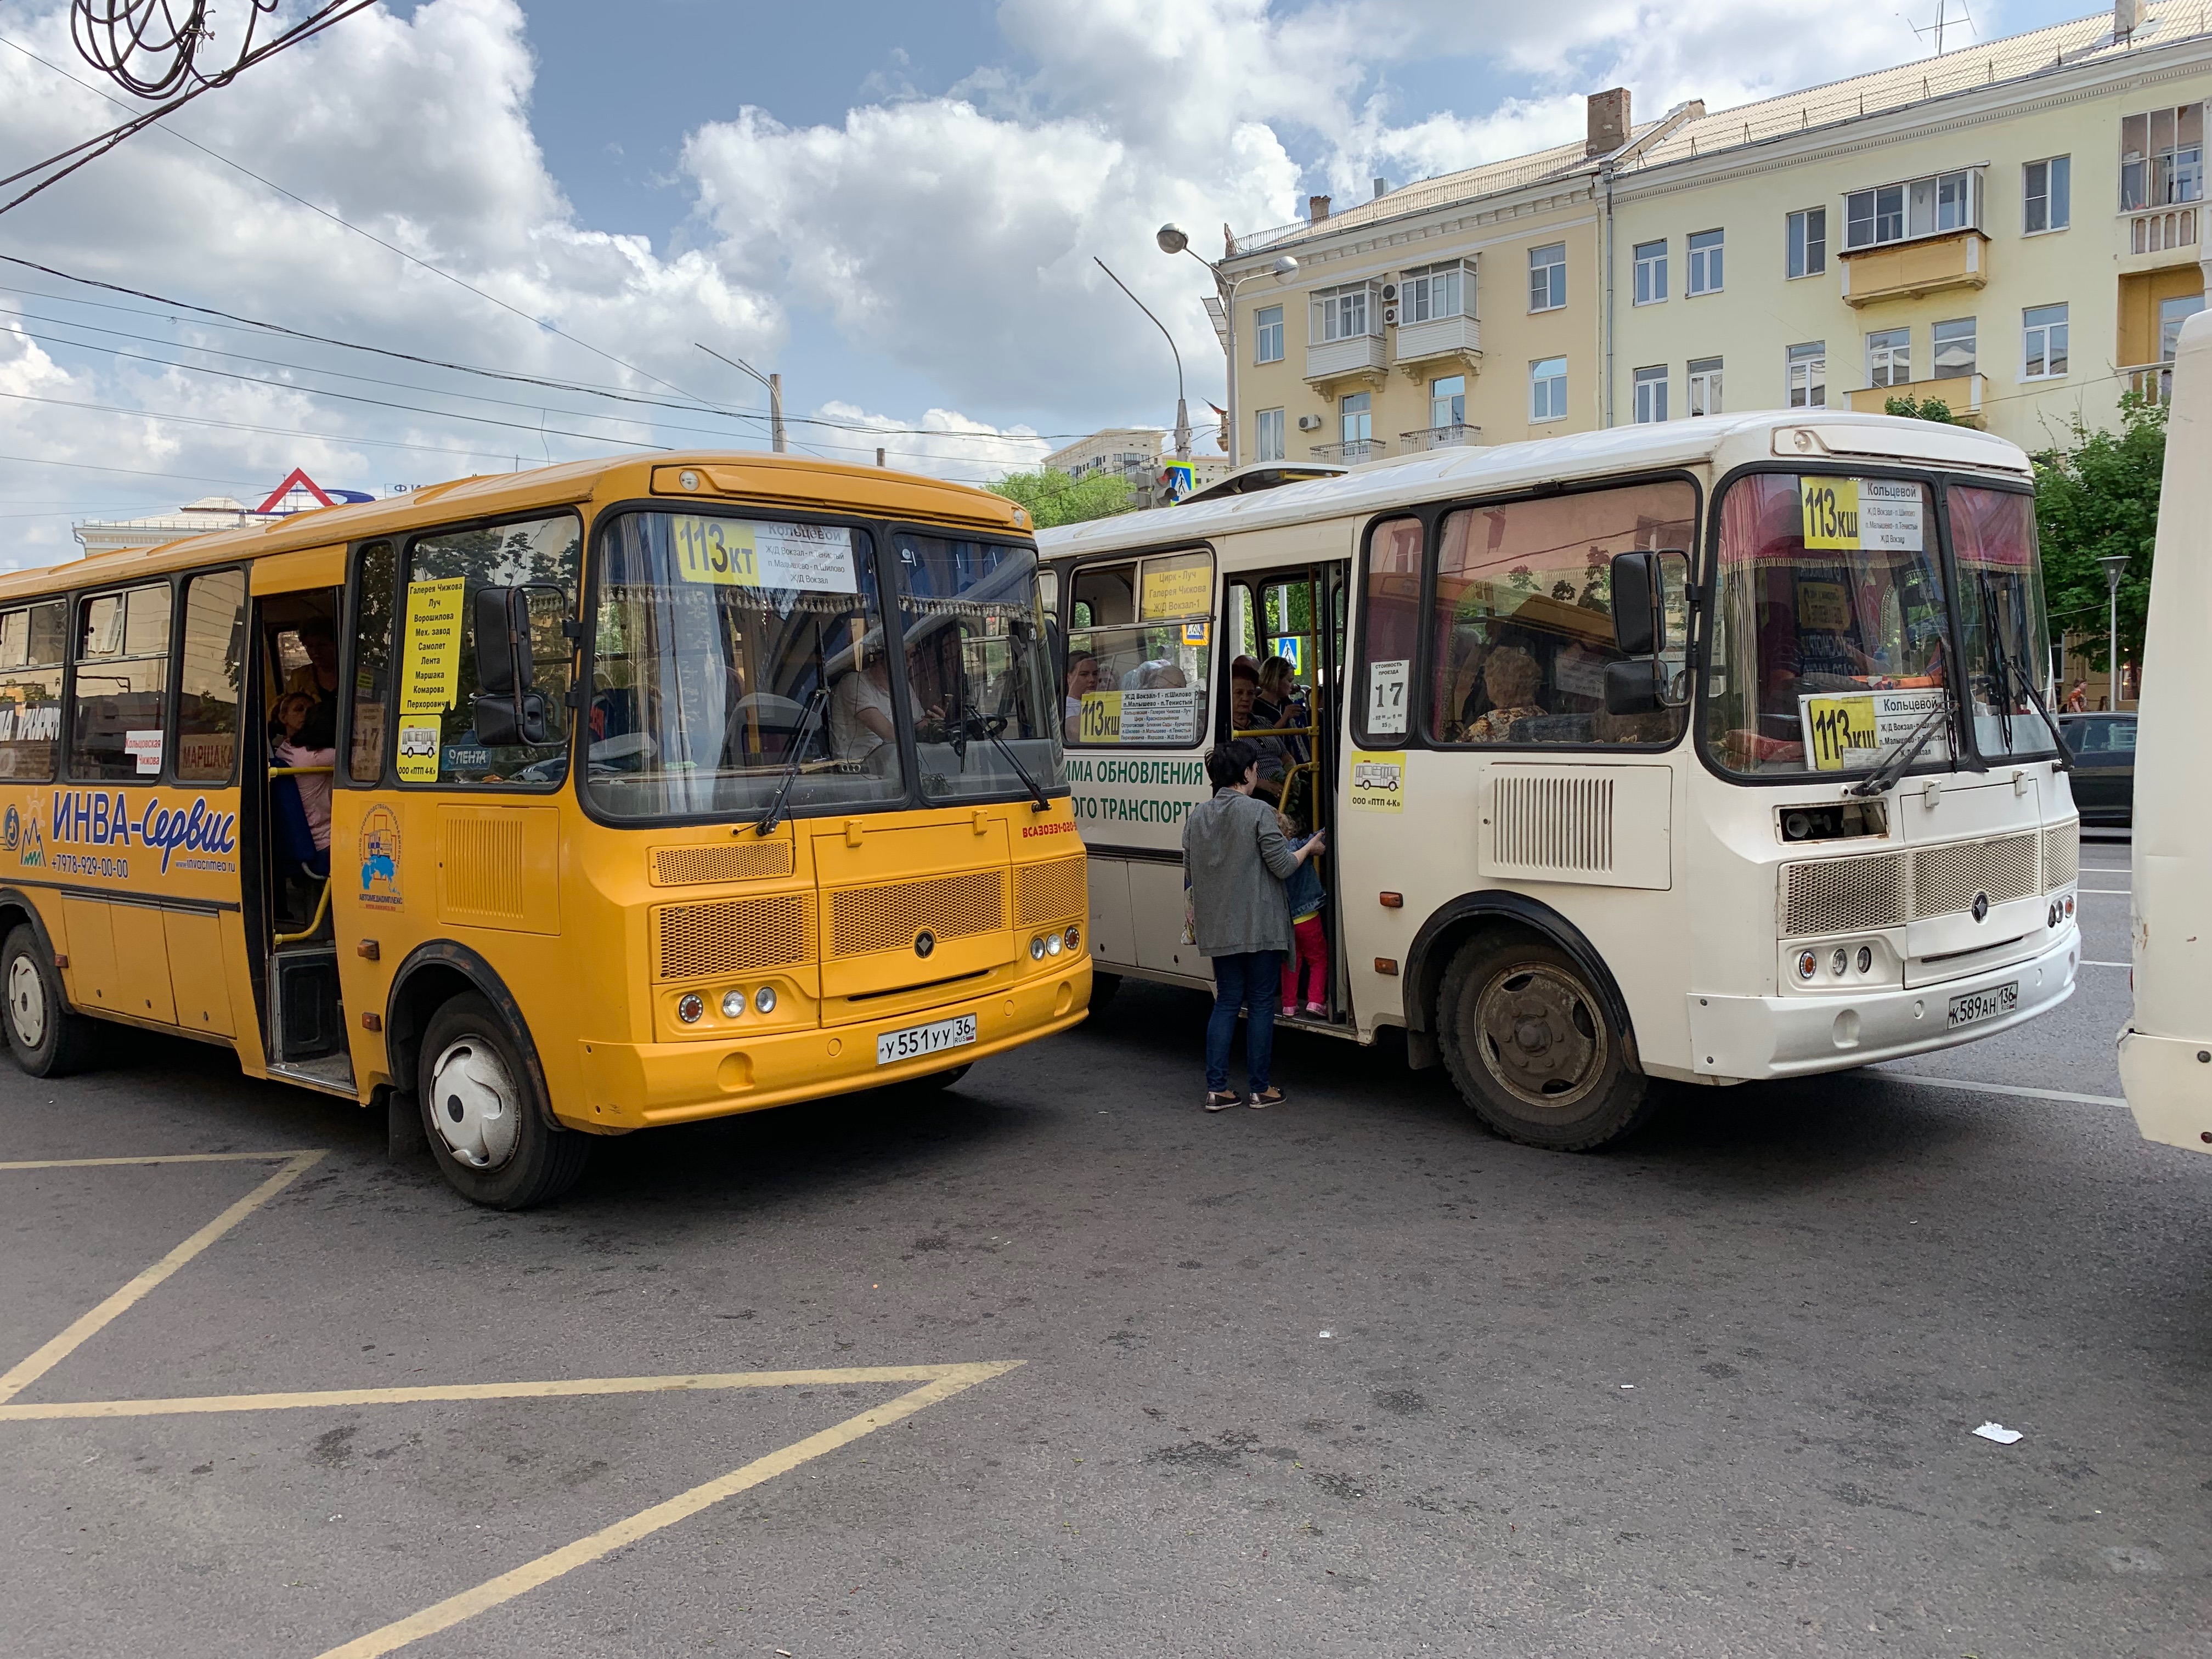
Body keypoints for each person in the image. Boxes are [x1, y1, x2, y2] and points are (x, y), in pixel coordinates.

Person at [1182, 738, 1326, 1110]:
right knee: (1261, 1003)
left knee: (1227, 1001)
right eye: (1254, 768)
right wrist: (1308, 849)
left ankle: (1217, 1089)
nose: (1257, 773)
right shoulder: (1258, 812)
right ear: (1246, 773)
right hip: (1260, 926)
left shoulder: (1197, 816)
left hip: (1218, 927)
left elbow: (1190, 875)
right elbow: (1282, 866)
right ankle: (1260, 1089)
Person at [829, 644, 926, 766]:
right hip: (857, 770)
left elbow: (918, 724)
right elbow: (890, 735)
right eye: (902, 655)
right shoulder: (855, 683)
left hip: (891, 766)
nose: (909, 662)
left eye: (912, 656)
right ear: (880, 655)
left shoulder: (905, 688)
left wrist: (931, 725)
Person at [1277, 809, 1327, 1019]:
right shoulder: (1299, 846)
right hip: (1308, 918)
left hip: (1286, 921)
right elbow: (1321, 837)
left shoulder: (1271, 857)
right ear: (1288, 830)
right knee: (1318, 958)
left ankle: (1289, 1005)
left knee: (1291, 962)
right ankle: (1315, 1001)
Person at [1460, 646, 1545, 743]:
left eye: (1487, 677)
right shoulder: (1542, 715)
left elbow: (1454, 753)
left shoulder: (1489, 723)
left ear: (1496, 684)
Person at [1063, 650, 1100, 742]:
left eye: (1095, 674)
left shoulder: (1101, 702)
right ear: (1069, 678)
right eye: (1084, 675)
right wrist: (1089, 701)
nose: (1092, 680)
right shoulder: (1064, 707)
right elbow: (1075, 732)